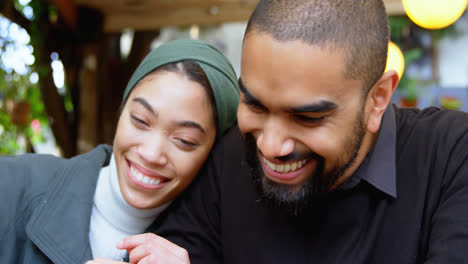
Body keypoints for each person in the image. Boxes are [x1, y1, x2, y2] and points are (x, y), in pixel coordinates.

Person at [152, 0, 468, 263]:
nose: (270, 146)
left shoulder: (452, 157)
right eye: (255, 105)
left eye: (307, 117)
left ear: (378, 99)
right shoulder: (226, 159)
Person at [0, 38, 239, 264]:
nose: (151, 153)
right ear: (122, 110)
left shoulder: (212, 250)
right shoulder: (11, 185)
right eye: (140, 120)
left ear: (212, 154)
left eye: (184, 140)